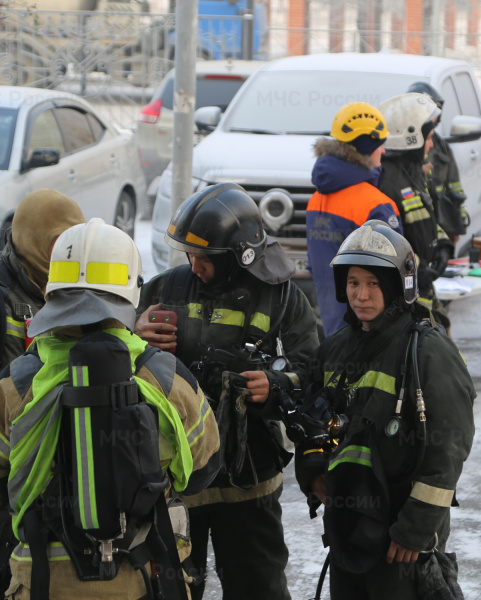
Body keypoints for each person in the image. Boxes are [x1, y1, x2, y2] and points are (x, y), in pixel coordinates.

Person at [0, 218, 221, 599]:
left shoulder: (17, 381)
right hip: (144, 578)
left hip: (44, 583)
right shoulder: (164, 377)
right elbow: (203, 471)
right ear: (131, 290)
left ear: (52, 290)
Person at [134, 183, 319, 600]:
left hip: (249, 481)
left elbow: (313, 373)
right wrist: (135, 332)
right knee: (170, 590)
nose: (194, 266)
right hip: (176, 483)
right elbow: (114, 357)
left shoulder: (284, 298)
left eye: (206, 258)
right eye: (190, 255)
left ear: (240, 257)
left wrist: (273, 386)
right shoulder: (164, 290)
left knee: (258, 588)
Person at [294, 220, 475, 599]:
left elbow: (449, 449)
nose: (361, 295)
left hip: (402, 536)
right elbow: (312, 414)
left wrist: (415, 529)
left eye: (373, 283)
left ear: (398, 286)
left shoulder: (428, 351)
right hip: (348, 528)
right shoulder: (336, 347)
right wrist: (313, 470)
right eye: (353, 283)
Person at [0, 189, 85, 599]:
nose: (66, 252)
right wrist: (14, 448)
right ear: (31, 239)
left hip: (65, 497)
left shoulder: (78, 293)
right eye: (56, 241)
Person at [306, 101, 403, 336]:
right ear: (366, 146)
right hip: (370, 331)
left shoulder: (316, 199)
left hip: (334, 327)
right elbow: (398, 273)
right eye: (380, 144)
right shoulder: (376, 204)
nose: (384, 151)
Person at [378, 92, 454, 316]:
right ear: (411, 137)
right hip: (404, 301)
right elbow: (390, 241)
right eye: (429, 137)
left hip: (421, 294)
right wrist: (419, 268)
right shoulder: (387, 183)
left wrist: (442, 245)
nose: (431, 145)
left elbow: (426, 219)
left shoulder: (413, 174)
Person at [406, 81, 469, 241]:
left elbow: (454, 185)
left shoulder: (440, 146)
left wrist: (458, 221)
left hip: (442, 223)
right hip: (419, 227)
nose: (434, 117)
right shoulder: (402, 146)